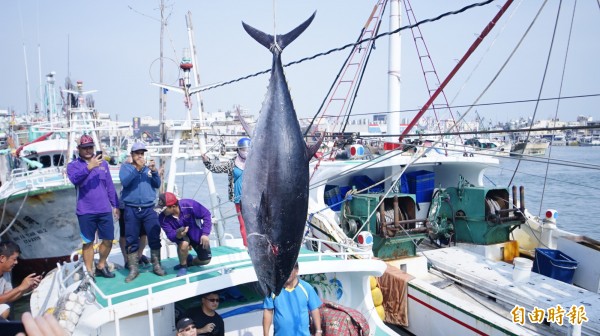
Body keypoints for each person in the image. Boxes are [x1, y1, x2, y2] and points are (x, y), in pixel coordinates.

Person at [67, 134, 119, 279]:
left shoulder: (104, 164)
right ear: (79, 149)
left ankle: (101, 264)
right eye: (85, 148)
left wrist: (116, 205)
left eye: (90, 147)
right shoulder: (73, 166)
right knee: (88, 242)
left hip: (104, 210)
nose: (88, 150)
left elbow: (109, 186)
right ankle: (89, 271)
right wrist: (89, 167)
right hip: (85, 211)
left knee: (108, 240)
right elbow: (74, 180)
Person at [119, 142, 165, 282]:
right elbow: (125, 182)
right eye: (137, 153)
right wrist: (138, 169)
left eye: (142, 153)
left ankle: (157, 265)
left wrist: (155, 172)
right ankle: (134, 269)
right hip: (131, 209)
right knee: (131, 239)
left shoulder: (148, 169)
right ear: (132, 155)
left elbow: (157, 184)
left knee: (154, 236)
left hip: (149, 209)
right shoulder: (125, 168)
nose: (140, 156)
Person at [202, 137, 250, 247]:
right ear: (238, 150)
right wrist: (206, 161)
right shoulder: (232, 163)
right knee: (243, 224)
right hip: (239, 199)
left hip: (254, 199)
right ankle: (248, 247)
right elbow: (216, 169)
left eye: (248, 149)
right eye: (243, 149)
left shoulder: (256, 162)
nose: (246, 152)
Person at [157, 192, 212, 277]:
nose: (162, 211)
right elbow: (170, 235)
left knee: (205, 260)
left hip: (197, 234)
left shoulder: (189, 204)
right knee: (183, 244)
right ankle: (183, 266)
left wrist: (205, 234)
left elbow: (206, 214)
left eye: (164, 209)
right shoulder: (162, 218)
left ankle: (190, 262)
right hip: (181, 235)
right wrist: (178, 235)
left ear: (173, 206)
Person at [262, 262, 322, 336]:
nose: (286, 273)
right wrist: (265, 334)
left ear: (296, 271)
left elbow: (314, 310)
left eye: (289, 270)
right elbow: (268, 312)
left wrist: (318, 331)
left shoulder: (306, 288)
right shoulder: (272, 289)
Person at [0, 241, 42, 320]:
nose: (16, 262)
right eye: (14, 259)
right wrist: (20, 287)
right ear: (2, 258)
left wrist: (27, 288)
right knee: (5, 308)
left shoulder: (6, 273)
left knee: (5, 308)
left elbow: (8, 297)